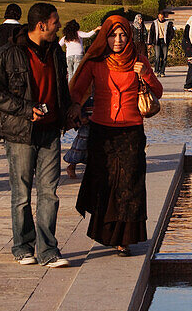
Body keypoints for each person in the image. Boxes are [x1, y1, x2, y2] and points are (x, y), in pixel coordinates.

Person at [0, 2, 72, 268]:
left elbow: (61, 88)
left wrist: (70, 113)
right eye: (55, 22)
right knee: (21, 194)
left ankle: (48, 249)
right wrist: (25, 109)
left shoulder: (55, 51)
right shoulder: (9, 53)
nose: (59, 26)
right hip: (20, 133)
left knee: (50, 193)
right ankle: (23, 246)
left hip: (50, 131)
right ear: (41, 25)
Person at [69, 16, 163, 255]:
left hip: (131, 130)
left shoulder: (139, 61)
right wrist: (74, 110)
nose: (118, 40)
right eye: (113, 35)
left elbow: (158, 92)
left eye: (122, 35)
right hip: (102, 130)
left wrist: (147, 75)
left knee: (129, 184)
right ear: (105, 37)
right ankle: (106, 232)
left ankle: (125, 238)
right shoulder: (95, 62)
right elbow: (76, 91)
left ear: (129, 36)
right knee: (106, 182)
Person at [148, 10, 175, 77]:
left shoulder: (168, 23)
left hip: (165, 42)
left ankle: (162, 71)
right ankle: (156, 71)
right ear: (158, 16)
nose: (161, 19)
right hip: (157, 41)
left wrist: (169, 39)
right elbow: (151, 33)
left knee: (164, 57)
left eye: (162, 17)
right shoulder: (154, 23)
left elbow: (172, 33)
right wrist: (150, 43)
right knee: (157, 56)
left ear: (164, 17)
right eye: (159, 17)